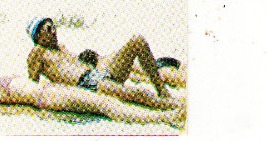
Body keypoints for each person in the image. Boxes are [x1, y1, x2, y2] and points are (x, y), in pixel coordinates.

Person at [0, 56, 184, 129]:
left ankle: (168, 112)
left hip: (51, 92)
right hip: (48, 97)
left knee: (105, 102)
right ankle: (165, 118)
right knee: (105, 105)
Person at [25, 17, 181, 110]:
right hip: (87, 84)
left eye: (54, 27)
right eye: (49, 29)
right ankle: (175, 107)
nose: (54, 32)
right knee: (138, 95)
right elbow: (32, 87)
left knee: (137, 41)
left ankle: (163, 91)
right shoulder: (37, 53)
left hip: (99, 73)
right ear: (38, 34)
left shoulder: (61, 48)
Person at [79, 49, 187, 88]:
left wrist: (143, 80)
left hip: (154, 69)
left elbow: (131, 75)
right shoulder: (112, 55)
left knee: (178, 79)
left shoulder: (102, 65)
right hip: (159, 62)